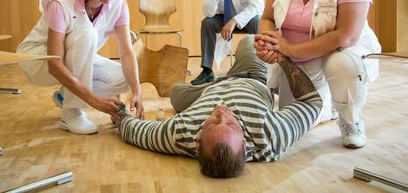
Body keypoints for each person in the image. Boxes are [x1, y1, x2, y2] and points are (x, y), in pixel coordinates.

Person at [114, 36, 322, 178]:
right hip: (249, 77)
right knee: (249, 41)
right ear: (244, 144)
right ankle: (220, 76)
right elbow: (313, 102)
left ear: (197, 141)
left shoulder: (178, 134)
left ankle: (211, 80)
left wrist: (120, 114)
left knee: (176, 92)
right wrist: (282, 58)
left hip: (207, 92)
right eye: (231, 125)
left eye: (213, 123)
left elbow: (135, 130)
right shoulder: (273, 134)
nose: (222, 111)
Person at [254, 0, 381, 149]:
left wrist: (289, 48)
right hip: (292, 58)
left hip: (337, 52)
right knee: (294, 117)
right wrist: (268, 42)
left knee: (342, 65)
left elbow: (345, 35)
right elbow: (267, 18)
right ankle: (329, 107)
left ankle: (350, 121)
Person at [17, 0, 144, 135]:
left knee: (124, 78)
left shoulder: (119, 5)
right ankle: (71, 115)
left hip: (75, 57)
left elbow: (126, 51)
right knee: (85, 32)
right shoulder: (60, 3)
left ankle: (65, 97)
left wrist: (137, 92)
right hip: (38, 61)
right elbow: (54, 64)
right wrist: (95, 101)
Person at [191, 0, 264, 85]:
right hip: (223, 18)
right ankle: (207, 71)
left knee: (257, 21)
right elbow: (208, 12)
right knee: (207, 23)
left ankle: (260, 68)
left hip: (246, 17)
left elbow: (257, 6)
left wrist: (234, 20)